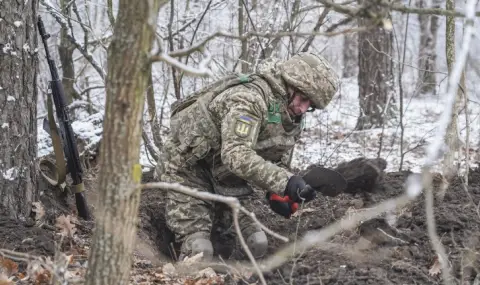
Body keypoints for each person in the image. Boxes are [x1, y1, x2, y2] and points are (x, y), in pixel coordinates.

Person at [155, 52, 340, 261]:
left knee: (256, 243)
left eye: (311, 106)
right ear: (290, 84)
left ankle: (236, 277)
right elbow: (236, 155)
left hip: (228, 181)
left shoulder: (290, 115)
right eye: (303, 99)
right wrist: (284, 182)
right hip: (188, 173)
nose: (302, 109)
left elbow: (271, 157)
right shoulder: (248, 99)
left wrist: (276, 194)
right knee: (199, 250)